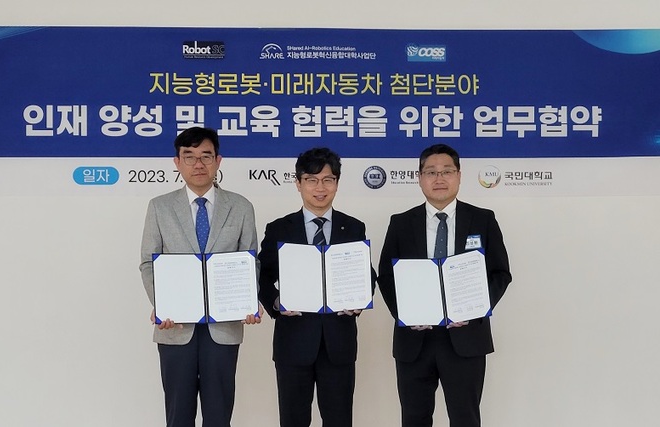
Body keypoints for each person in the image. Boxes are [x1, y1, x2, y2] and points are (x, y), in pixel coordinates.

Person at [377, 143, 512, 427]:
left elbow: (500, 273)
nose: (439, 178)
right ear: (419, 178)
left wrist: (474, 309)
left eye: (447, 171)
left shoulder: (483, 219)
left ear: (459, 176)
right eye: (431, 172)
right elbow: (387, 276)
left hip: (466, 338)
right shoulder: (401, 223)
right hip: (414, 340)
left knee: (465, 418)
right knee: (414, 418)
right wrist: (406, 314)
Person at [139, 126, 260, 427]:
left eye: (206, 156)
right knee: (178, 415)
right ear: (177, 162)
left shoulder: (241, 206)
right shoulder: (160, 207)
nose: (198, 164)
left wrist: (249, 300)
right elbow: (148, 263)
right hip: (175, 327)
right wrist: (162, 303)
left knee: (219, 415)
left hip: (223, 327)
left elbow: (250, 262)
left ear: (218, 161)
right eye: (189, 156)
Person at [258, 147, 376, 427]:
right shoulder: (279, 229)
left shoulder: (353, 227)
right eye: (311, 180)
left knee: (339, 420)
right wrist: (275, 303)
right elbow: (262, 276)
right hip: (293, 341)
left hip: (338, 342)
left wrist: (360, 298)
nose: (320, 188)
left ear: (337, 183)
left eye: (327, 180)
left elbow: (366, 274)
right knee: (293, 420)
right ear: (298, 183)